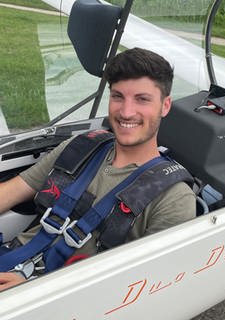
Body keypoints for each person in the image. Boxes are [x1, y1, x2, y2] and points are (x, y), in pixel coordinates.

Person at [0, 47, 196, 291]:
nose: (126, 112)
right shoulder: (80, 147)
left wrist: (29, 289)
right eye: (118, 97)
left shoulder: (174, 199)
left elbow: (140, 288)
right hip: (12, 259)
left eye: (142, 99)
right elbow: (11, 191)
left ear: (165, 106)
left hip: (57, 297)